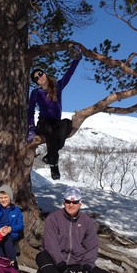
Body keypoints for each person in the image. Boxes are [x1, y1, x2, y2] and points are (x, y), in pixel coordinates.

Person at [27, 45, 83, 180]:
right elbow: (30, 112)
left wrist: (76, 59)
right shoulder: (36, 93)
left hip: (57, 122)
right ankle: (54, 166)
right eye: (36, 78)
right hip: (44, 123)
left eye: (40, 74)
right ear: (36, 82)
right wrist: (31, 130)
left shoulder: (57, 86)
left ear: (45, 74)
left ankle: (50, 157)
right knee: (51, 131)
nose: (39, 77)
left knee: (67, 124)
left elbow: (69, 74)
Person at [0, 185, 24, 268]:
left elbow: (20, 225)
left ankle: (13, 262)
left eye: (5, 197)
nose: (3, 200)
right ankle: (3, 263)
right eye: (1, 198)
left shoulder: (16, 210)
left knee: (7, 238)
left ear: (10, 197)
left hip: (9, 234)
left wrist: (11, 229)